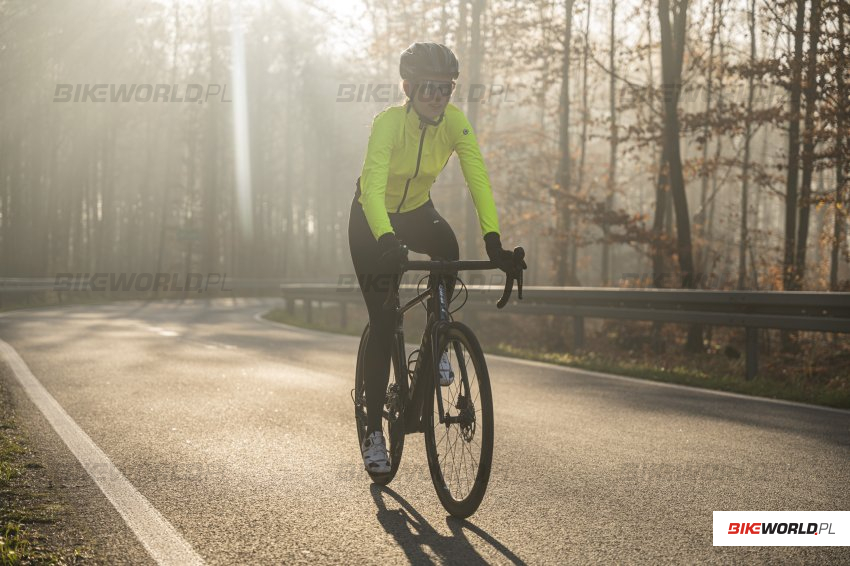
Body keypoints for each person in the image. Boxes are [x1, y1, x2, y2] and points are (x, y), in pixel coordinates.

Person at [348, 42, 523, 474]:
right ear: (408, 88)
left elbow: (476, 176)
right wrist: (385, 237)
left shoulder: (455, 124)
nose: (436, 96)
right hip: (372, 221)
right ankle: (373, 430)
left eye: (445, 88)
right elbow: (372, 185)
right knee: (384, 317)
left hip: (417, 214)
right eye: (427, 87)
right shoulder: (388, 124)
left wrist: (494, 239)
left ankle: (439, 339)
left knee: (448, 252)